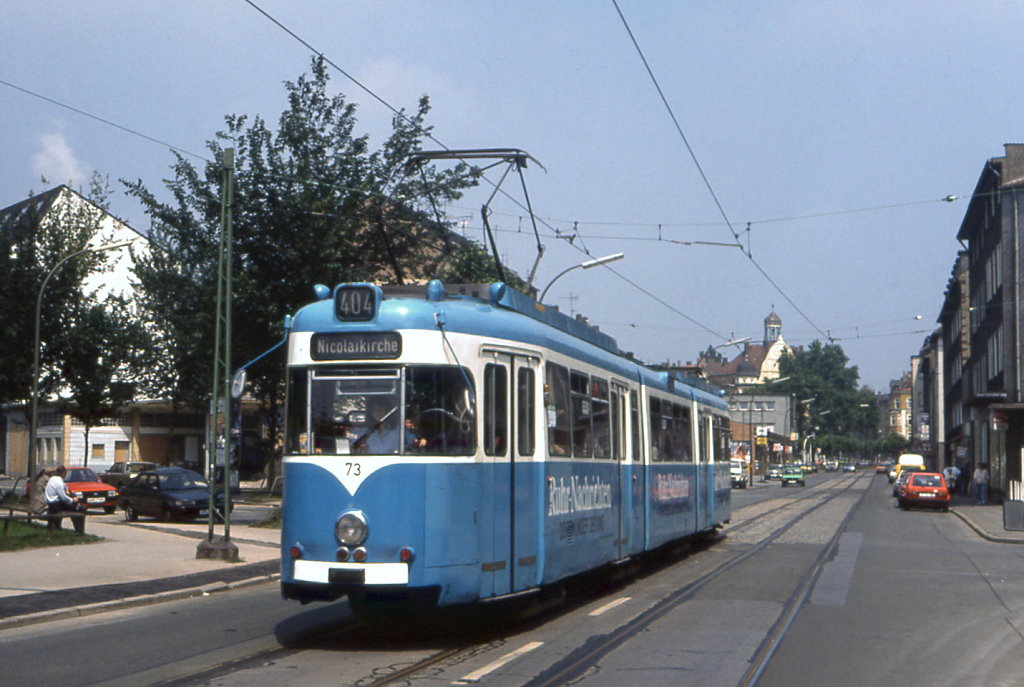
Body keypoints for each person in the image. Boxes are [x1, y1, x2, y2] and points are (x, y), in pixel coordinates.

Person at [45, 466, 85, 534]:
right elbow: (63, 497)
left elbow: (64, 486)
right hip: (56, 504)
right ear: (64, 473)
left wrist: (66, 489)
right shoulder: (59, 483)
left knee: (75, 506)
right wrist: (72, 500)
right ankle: (79, 530)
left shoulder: (52, 479)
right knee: (79, 509)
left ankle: (77, 529)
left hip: (50, 504)